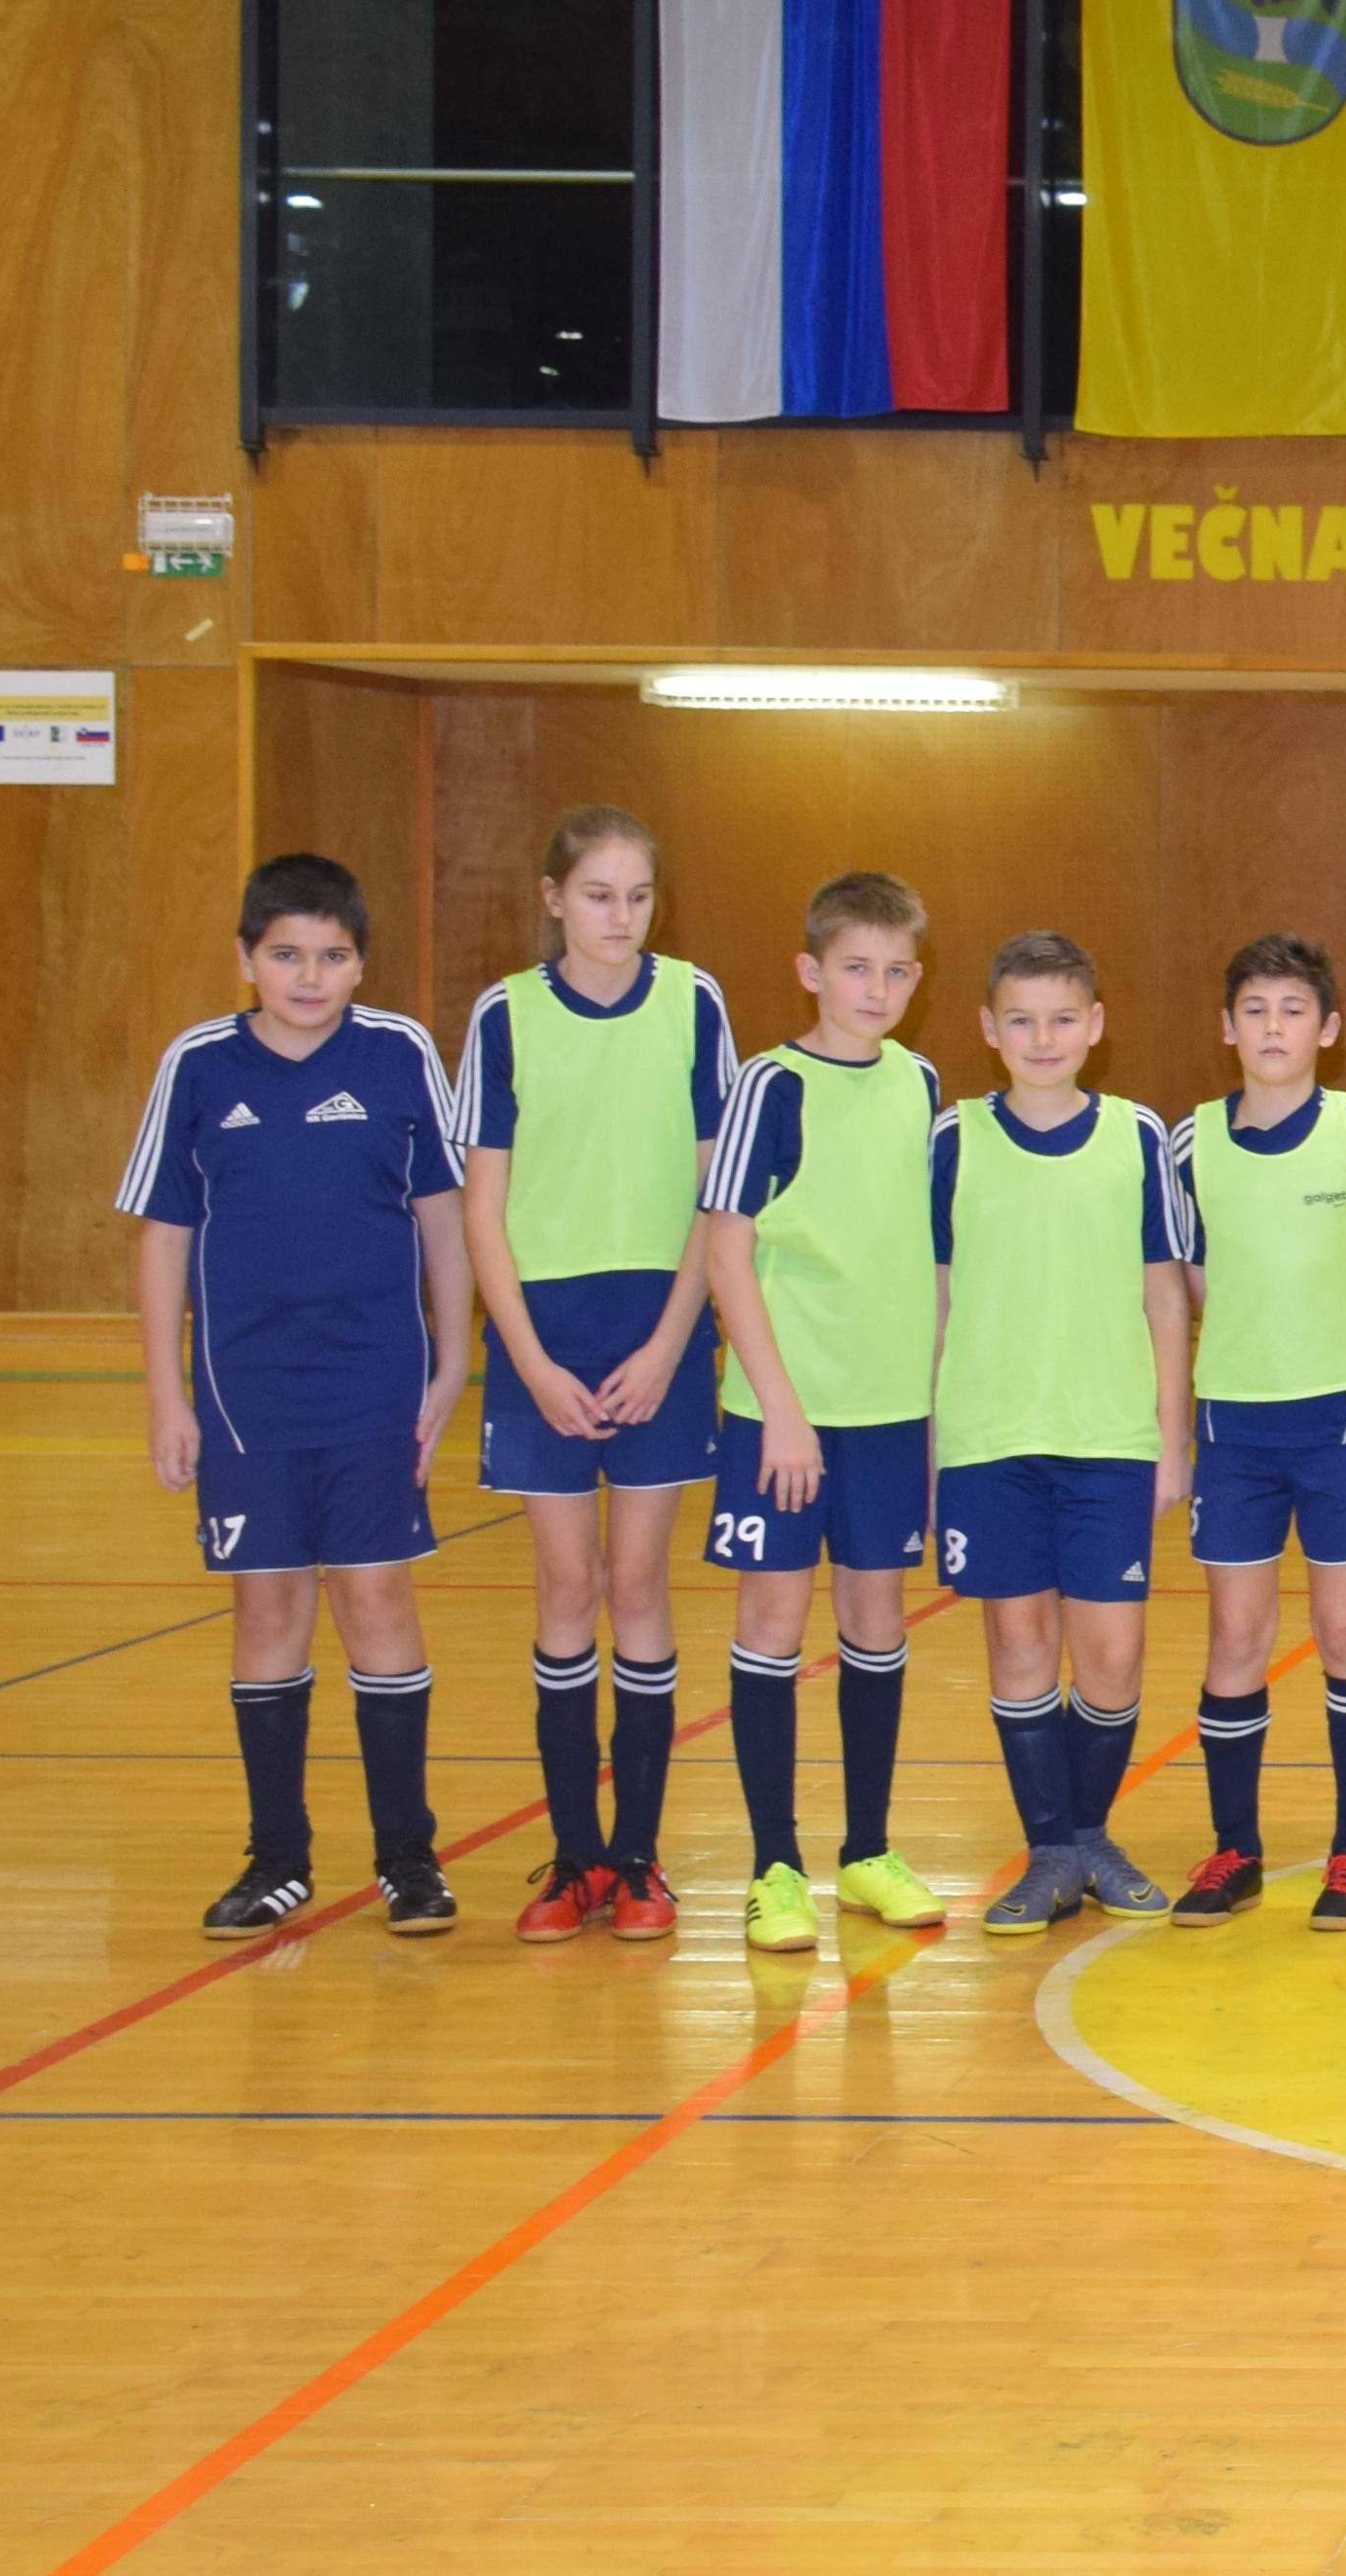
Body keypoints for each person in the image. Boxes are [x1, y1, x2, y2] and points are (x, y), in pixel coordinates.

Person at [122, 853, 470, 1940]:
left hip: (374, 1386)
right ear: (246, 959)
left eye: (331, 955)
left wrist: (454, 1358)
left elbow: (444, 1218)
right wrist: (166, 1397)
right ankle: (277, 1858)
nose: (309, 976)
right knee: (267, 1608)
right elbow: (162, 1236)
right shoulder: (197, 1065)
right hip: (244, 1396)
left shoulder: (399, 1053)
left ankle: (407, 1856)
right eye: (285, 955)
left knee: (375, 1600)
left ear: (361, 963)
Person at [452, 806, 734, 1945]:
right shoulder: (506, 1014)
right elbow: (481, 1206)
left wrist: (670, 1344)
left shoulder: (693, 1002)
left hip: (658, 1322)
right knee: (566, 1590)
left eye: (639, 895)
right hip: (545, 1332)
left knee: (638, 1583)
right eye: (599, 894)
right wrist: (527, 1361)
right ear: (553, 898)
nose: (621, 916)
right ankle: (575, 1857)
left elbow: (718, 1196)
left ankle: (640, 1857)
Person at [695, 871, 950, 1948]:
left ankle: (867, 1853)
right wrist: (784, 1410)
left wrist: (933, 1405)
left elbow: (923, 1255)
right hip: (783, 1411)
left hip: (888, 1410)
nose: (875, 988)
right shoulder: (769, 1085)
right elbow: (726, 1252)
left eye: (895, 971)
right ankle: (773, 1866)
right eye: (855, 968)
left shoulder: (920, 1082)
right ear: (811, 971)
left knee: (876, 1622)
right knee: (771, 1623)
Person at [944, 934, 1200, 1936]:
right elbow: (934, 1297)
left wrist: (1171, 1435)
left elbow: (1166, 1296)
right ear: (989, 1028)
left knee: (1112, 1654)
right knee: (1018, 1643)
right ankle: (1053, 1847)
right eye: (1021, 1019)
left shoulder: (1136, 1136)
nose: (1041, 1038)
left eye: (1061, 1018)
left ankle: (1088, 1832)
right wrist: (931, 1440)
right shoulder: (954, 1139)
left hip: (1108, 1435)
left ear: (1095, 1024)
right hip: (990, 1433)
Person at [1172, 935, 1346, 1931]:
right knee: (1237, 1635)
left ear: (1328, 1027)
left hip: (1340, 1421)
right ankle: (1235, 1846)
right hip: (1234, 1424)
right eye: (1255, 1010)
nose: (1274, 1027)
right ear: (1227, 1027)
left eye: (1293, 1009)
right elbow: (1191, 1275)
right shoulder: (1189, 1143)